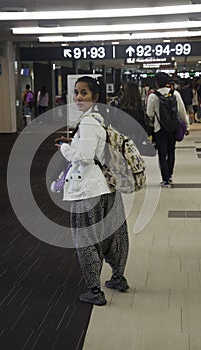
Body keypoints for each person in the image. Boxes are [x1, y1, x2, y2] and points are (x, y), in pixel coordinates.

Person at [54, 76, 129, 306]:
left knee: (86, 240)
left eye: (84, 93)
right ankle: (118, 277)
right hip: (107, 187)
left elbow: (84, 157)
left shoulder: (87, 122)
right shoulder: (100, 119)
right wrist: (74, 141)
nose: (78, 97)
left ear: (95, 97)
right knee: (114, 235)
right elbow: (93, 148)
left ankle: (95, 291)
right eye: (76, 92)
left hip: (88, 191)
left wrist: (65, 147)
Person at [147, 72, 189, 188]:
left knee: (162, 154)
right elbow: (182, 111)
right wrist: (186, 125)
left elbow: (149, 113)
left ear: (156, 82)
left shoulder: (153, 96)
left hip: (159, 129)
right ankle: (170, 175)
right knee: (171, 151)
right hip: (173, 127)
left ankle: (165, 179)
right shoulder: (175, 94)